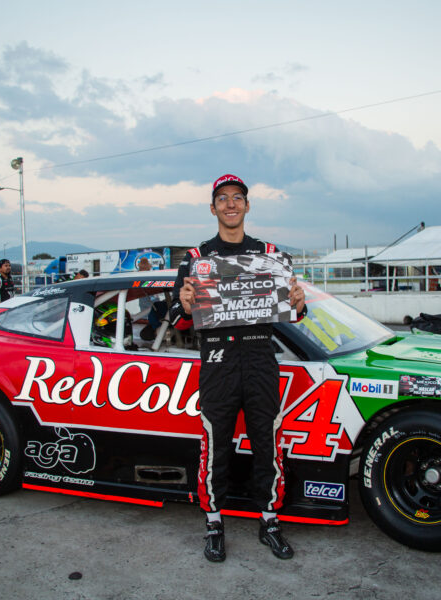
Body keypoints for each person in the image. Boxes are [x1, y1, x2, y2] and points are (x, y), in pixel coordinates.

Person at [169, 174, 306, 563]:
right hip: (217, 360)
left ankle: (270, 521)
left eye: (238, 198)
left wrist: (298, 301)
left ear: (247, 206)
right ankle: (214, 522)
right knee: (216, 448)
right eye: (223, 199)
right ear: (213, 208)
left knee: (268, 445)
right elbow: (177, 318)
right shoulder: (196, 259)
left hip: (261, 357)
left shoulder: (271, 254)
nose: (231, 205)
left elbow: (293, 313)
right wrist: (184, 302)